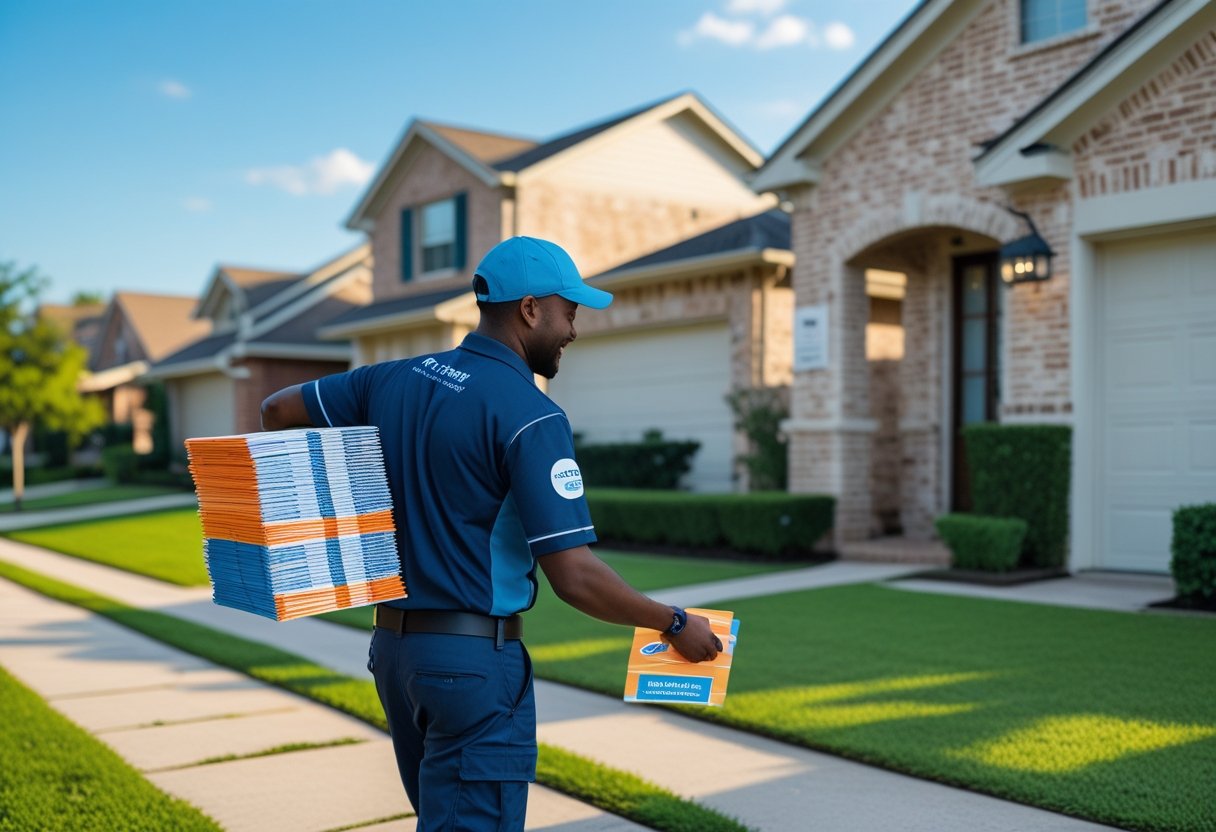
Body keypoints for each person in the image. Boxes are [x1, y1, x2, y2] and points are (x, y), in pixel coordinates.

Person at [260, 235, 721, 831]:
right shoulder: (530, 415)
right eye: (569, 312)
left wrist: (331, 516)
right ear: (530, 309)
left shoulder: (389, 380)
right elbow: (575, 578)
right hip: (472, 665)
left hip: (396, 655)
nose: (573, 330)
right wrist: (675, 623)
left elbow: (275, 410)